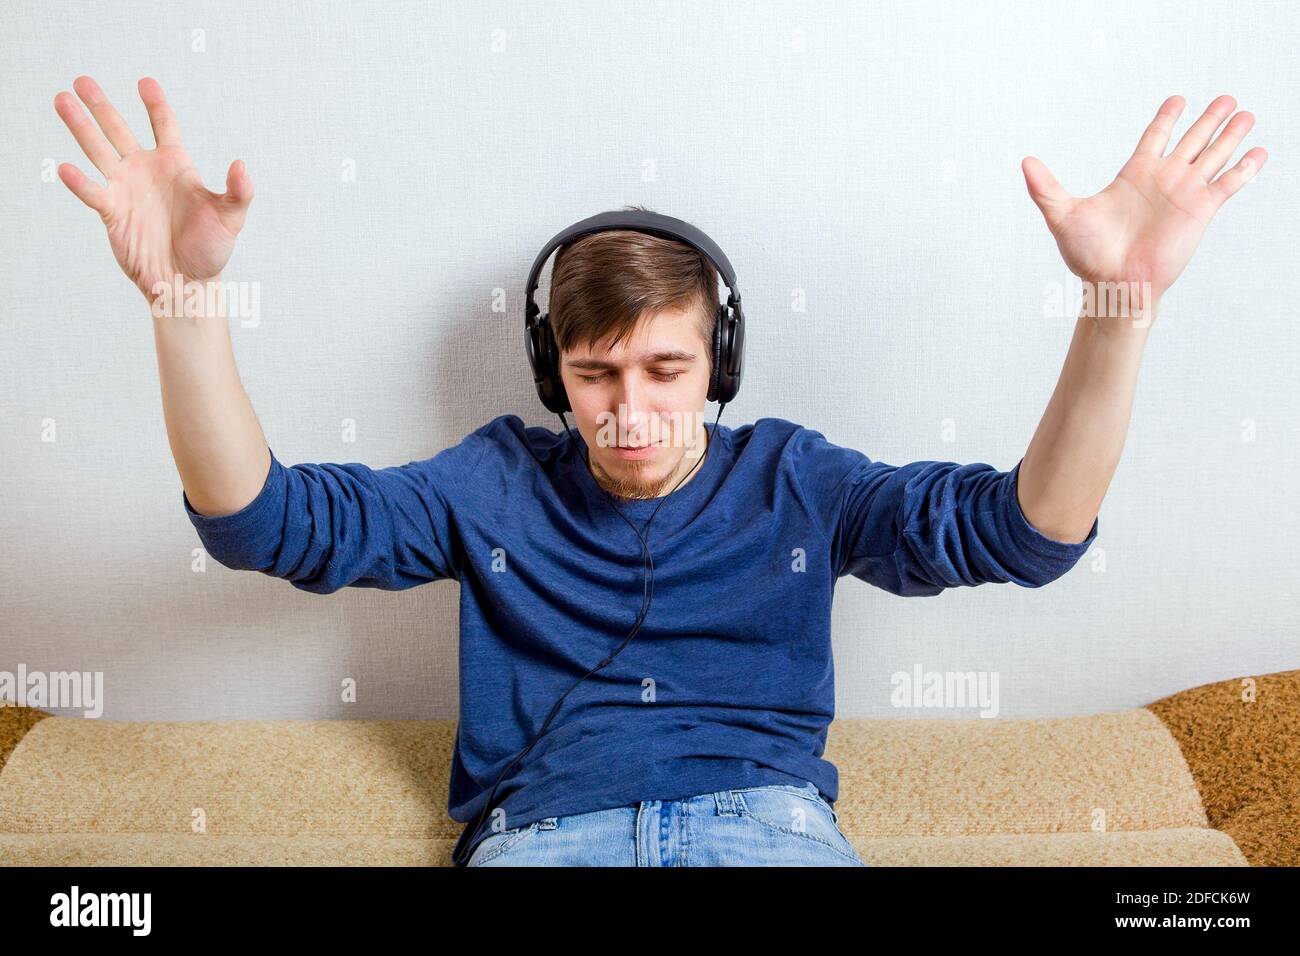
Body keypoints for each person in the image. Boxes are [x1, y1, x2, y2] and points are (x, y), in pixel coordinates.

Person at [53, 76, 1265, 867]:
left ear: (719, 360)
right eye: (596, 375)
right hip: (544, 839)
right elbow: (262, 524)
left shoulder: (799, 479)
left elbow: (1022, 534)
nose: (631, 413)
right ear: (552, 372)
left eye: (666, 369)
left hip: (770, 832)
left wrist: (1118, 310)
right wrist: (185, 306)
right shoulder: (488, 486)